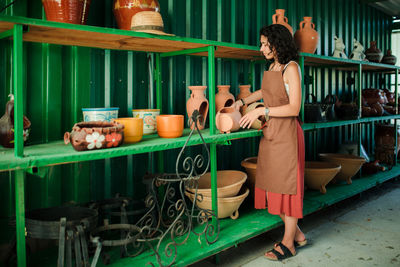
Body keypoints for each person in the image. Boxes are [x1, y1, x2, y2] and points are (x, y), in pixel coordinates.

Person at [231, 24, 306, 261]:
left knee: (288, 189)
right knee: (273, 185)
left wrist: (262, 111)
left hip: (288, 137)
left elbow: (295, 107)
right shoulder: (273, 66)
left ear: (278, 43)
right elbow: (263, 92)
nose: (261, 48)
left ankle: (289, 244)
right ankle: (299, 235)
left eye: (265, 43)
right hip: (272, 134)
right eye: (261, 43)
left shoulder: (291, 68)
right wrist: (239, 103)